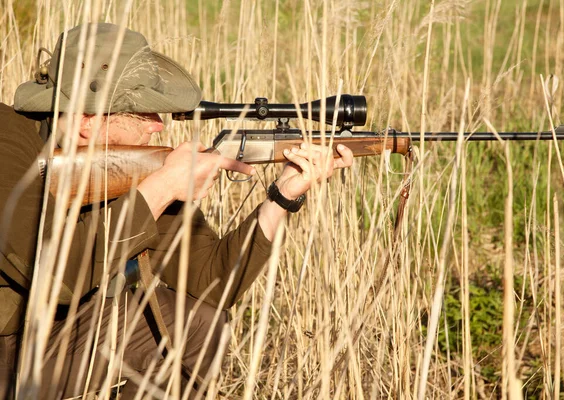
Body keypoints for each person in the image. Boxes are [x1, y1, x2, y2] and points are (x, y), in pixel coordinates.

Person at [0, 23, 353, 398]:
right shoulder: (7, 143)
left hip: (55, 336)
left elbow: (214, 280)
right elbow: (60, 273)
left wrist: (282, 196)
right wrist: (164, 186)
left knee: (200, 324)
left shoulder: (121, 168)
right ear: (88, 121)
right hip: (8, 348)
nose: (158, 125)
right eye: (142, 114)